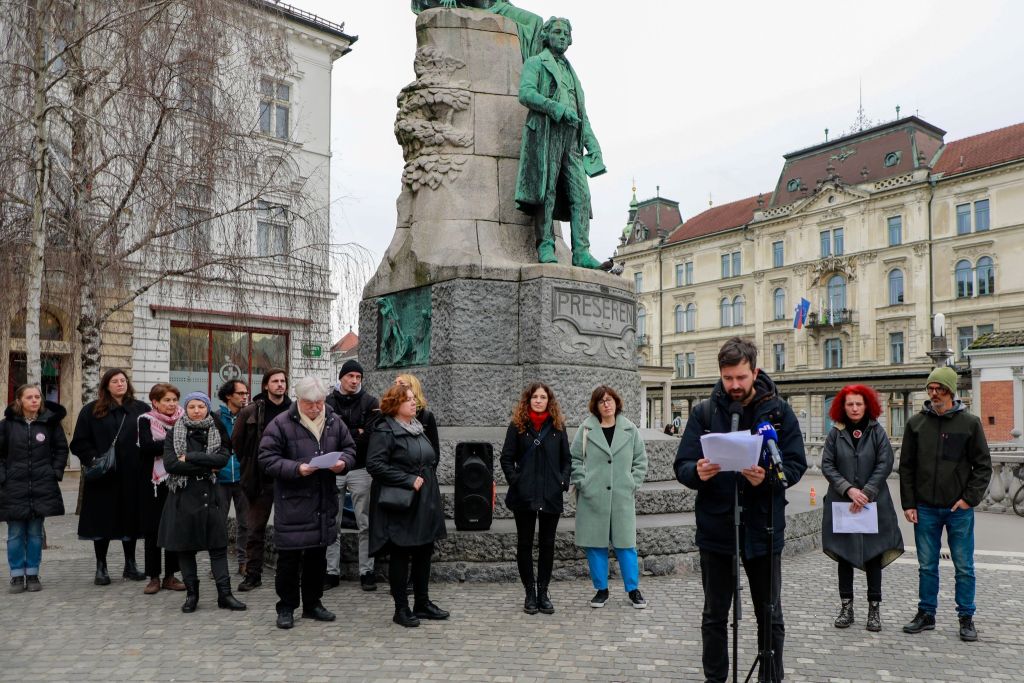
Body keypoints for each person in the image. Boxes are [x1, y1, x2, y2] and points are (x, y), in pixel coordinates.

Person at [675, 337, 807, 683]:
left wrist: (767, 478)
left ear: (755, 372)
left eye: (741, 377)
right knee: (714, 615)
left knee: (770, 615)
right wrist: (697, 472)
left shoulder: (779, 413)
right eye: (728, 377)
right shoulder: (704, 413)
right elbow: (682, 465)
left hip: (763, 529)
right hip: (717, 529)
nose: (734, 385)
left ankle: (770, 678)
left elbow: (795, 465)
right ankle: (716, 679)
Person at [899, 366, 992, 642]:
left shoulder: (970, 423)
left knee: (964, 566)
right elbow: (906, 467)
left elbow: (983, 466)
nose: (934, 393)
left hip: (957, 510)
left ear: (951, 391)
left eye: (939, 388)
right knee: (927, 566)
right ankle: (926, 614)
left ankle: (966, 618)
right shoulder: (916, 424)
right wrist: (909, 504)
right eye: (930, 388)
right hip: (925, 508)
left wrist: (968, 499)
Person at [258, 376, 356, 630]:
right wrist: (296, 468)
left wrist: (343, 463)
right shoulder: (281, 423)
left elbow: (350, 449)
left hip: (323, 501)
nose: (315, 408)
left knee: (317, 557)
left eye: (319, 403)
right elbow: (266, 458)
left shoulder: (334, 420)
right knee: (289, 560)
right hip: (293, 502)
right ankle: (286, 607)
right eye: (309, 404)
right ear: (299, 400)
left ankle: (313, 603)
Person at [514, 16, 605, 269]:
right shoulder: (536, 62)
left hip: (571, 138)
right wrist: (556, 108)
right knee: (547, 190)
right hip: (547, 132)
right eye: (557, 32)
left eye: (566, 33)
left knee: (581, 195)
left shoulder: (572, 73)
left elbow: (582, 113)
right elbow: (526, 93)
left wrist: (593, 146)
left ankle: (581, 252)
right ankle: (545, 246)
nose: (563, 36)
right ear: (546, 36)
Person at [820, 384, 904, 632]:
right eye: (850, 404)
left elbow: (885, 463)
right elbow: (828, 465)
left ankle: (874, 609)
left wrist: (866, 492)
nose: (855, 408)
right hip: (843, 503)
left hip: (872, 503)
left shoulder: (877, 431)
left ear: (867, 405)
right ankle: (846, 607)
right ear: (843, 407)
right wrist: (848, 489)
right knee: (844, 555)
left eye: (859, 403)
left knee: (874, 555)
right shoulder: (836, 433)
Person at [367, 384, 448, 628]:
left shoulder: (417, 427)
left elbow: (428, 458)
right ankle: (401, 608)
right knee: (401, 553)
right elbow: (375, 465)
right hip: (401, 502)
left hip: (424, 500)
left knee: (424, 551)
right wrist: (407, 479)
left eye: (414, 399)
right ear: (395, 405)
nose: (414, 403)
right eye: (408, 400)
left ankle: (422, 603)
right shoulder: (385, 430)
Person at [158, 392, 246, 613]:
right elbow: (171, 465)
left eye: (201, 406)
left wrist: (189, 457)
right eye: (192, 407)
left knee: (218, 548)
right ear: (186, 409)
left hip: (211, 497)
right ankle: (192, 595)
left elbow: (222, 459)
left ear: (207, 408)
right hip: (183, 497)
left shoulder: (217, 430)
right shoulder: (175, 432)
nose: (196, 411)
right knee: (185, 550)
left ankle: (225, 595)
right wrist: (207, 467)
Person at [570, 385, 648, 609]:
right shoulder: (586, 429)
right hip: (593, 497)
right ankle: (601, 589)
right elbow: (575, 459)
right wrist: (583, 482)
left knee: (626, 545)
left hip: (622, 497)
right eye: (601, 401)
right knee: (595, 545)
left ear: (616, 402)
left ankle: (633, 590)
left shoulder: (630, 429)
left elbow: (640, 460)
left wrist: (632, 483)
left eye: (609, 400)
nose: (606, 404)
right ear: (595, 406)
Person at [71, 368, 151, 585]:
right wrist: (94, 460)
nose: (120, 384)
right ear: (106, 385)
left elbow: (149, 438)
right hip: (104, 477)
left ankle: (130, 564)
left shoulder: (140, 409)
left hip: (132, 476)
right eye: (115, 381)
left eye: (123, 380)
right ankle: (101, 566)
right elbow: (79, 442)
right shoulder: (92, 410)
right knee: (101, 521)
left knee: (130, 519)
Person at [500, 382, 571, 615]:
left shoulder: (558, 427)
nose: (539, 401)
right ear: (528, 400)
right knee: (525, 544)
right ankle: (530, 592)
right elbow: (506, 458)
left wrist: (562, 482)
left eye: (543, 397)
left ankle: (543, 592)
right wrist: (516, 481)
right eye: (535, 397)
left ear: (549, 401)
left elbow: (566, 459)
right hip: (525, 495)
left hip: (550, 494)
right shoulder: (518, 426)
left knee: (547, 545)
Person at [0, 384, 68, 593]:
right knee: (15, 533)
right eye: (29, 397)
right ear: (19, 400)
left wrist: (54, 472)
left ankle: (32, 573)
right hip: (13, 487)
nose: (34, 400)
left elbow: (61, 449)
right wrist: (3, 476)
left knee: (35, 533)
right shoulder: (7, 425)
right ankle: (16, 575)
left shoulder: (50, 424)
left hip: (41, 486)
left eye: (37, 397)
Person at [233, 368, 291, 592]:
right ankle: (253, 575)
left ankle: (288, 573)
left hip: (287, 477)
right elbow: (237, 442)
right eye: (275, 381)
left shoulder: (294, 409)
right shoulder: (251, 410)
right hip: (259, 478)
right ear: (266, 385)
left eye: (283, 381)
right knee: (255, 529)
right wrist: (250, 464)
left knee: (289, 528)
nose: (280, 384)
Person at [324, 360, 380, 591]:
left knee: (365, 523)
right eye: (350, 376)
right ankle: (331, 572)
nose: (355, 381)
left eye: (358, 377)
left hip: (360, 469)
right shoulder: (328, 402)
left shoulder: (370, 402)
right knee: (332, 522)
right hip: (334, 468)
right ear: (341, 377)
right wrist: (356, 430)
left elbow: (370, 435)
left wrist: (345, 432)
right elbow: (327, 433)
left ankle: (367, 571)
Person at [137, 383, 186, 594]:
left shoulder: (184, 419)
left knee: (174, 528)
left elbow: (192, 445)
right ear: (155, 402)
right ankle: (154, 577)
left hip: (178, 480)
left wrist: (167, 446)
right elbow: (147, 447)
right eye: (166, 400)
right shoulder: (145, 420)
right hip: (153, 482)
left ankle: (170, 576)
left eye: (174, 400)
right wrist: (175, 445)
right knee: (153, 530)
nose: (171, 404)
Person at [215, 379, 250, 577]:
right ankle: (218, 564)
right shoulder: (216, 417)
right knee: (219, 524)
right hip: (221, 477)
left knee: (245, 523)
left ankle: (243, 562)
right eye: (240, 393)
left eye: (246, 393)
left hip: (244, 477)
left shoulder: (250, 416)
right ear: (229, 395)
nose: (245, 397)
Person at [394, 374, 440, 458]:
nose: (396, 387)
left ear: (413, 388)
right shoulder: (390, 416)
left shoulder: (426, 416)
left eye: (401, 384)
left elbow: (435, 451)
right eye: (395, 383)